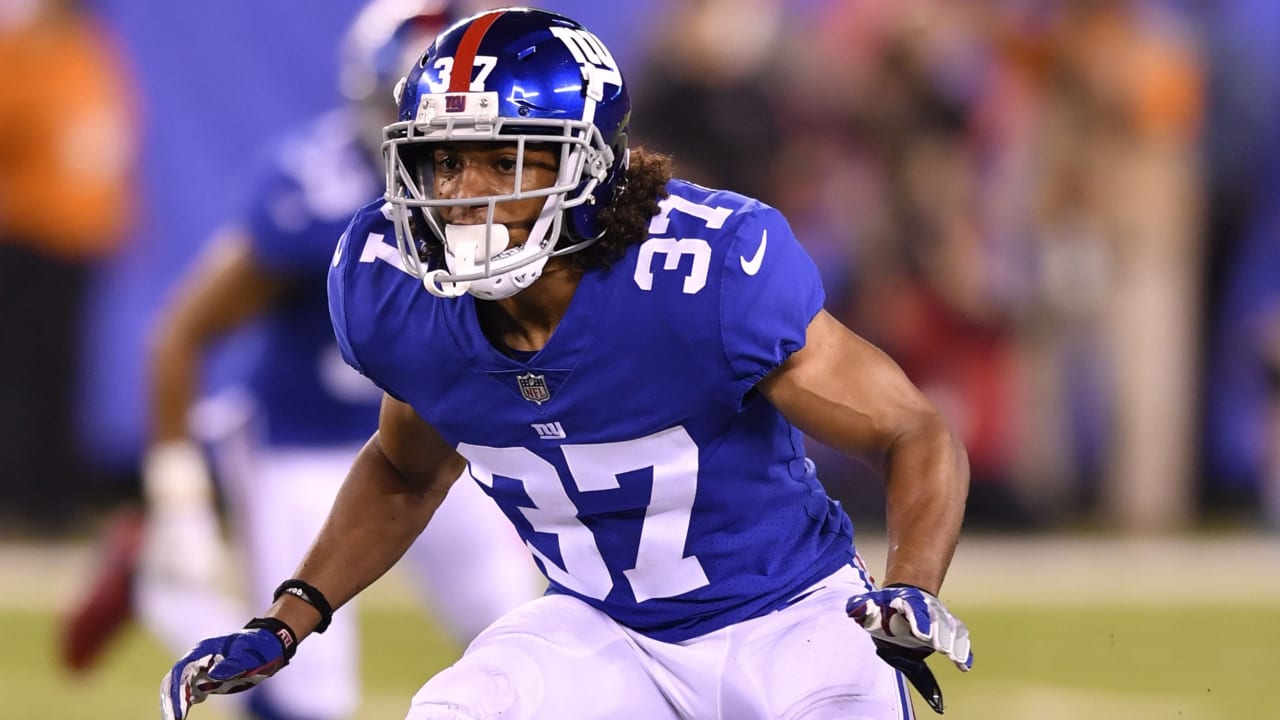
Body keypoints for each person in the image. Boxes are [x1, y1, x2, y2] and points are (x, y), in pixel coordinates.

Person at [161, 8, 974, 720]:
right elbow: (405, 471)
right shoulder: (397, 290)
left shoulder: (703, 275)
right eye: (444, 161)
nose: (462, 195)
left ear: (585, 168)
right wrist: (288, 618)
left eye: (500, 159)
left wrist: (911, 586)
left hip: (788, 617)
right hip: (601, 629)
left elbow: (910, 429)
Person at [58, 2, 538, 719]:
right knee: (299, 695)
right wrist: (180, 495)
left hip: (435, 436)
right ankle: (168, 589)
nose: (451, 158)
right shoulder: (315, 191)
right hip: (302, 441)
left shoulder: (528, 196)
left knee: (517, 633)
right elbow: (182, 333)